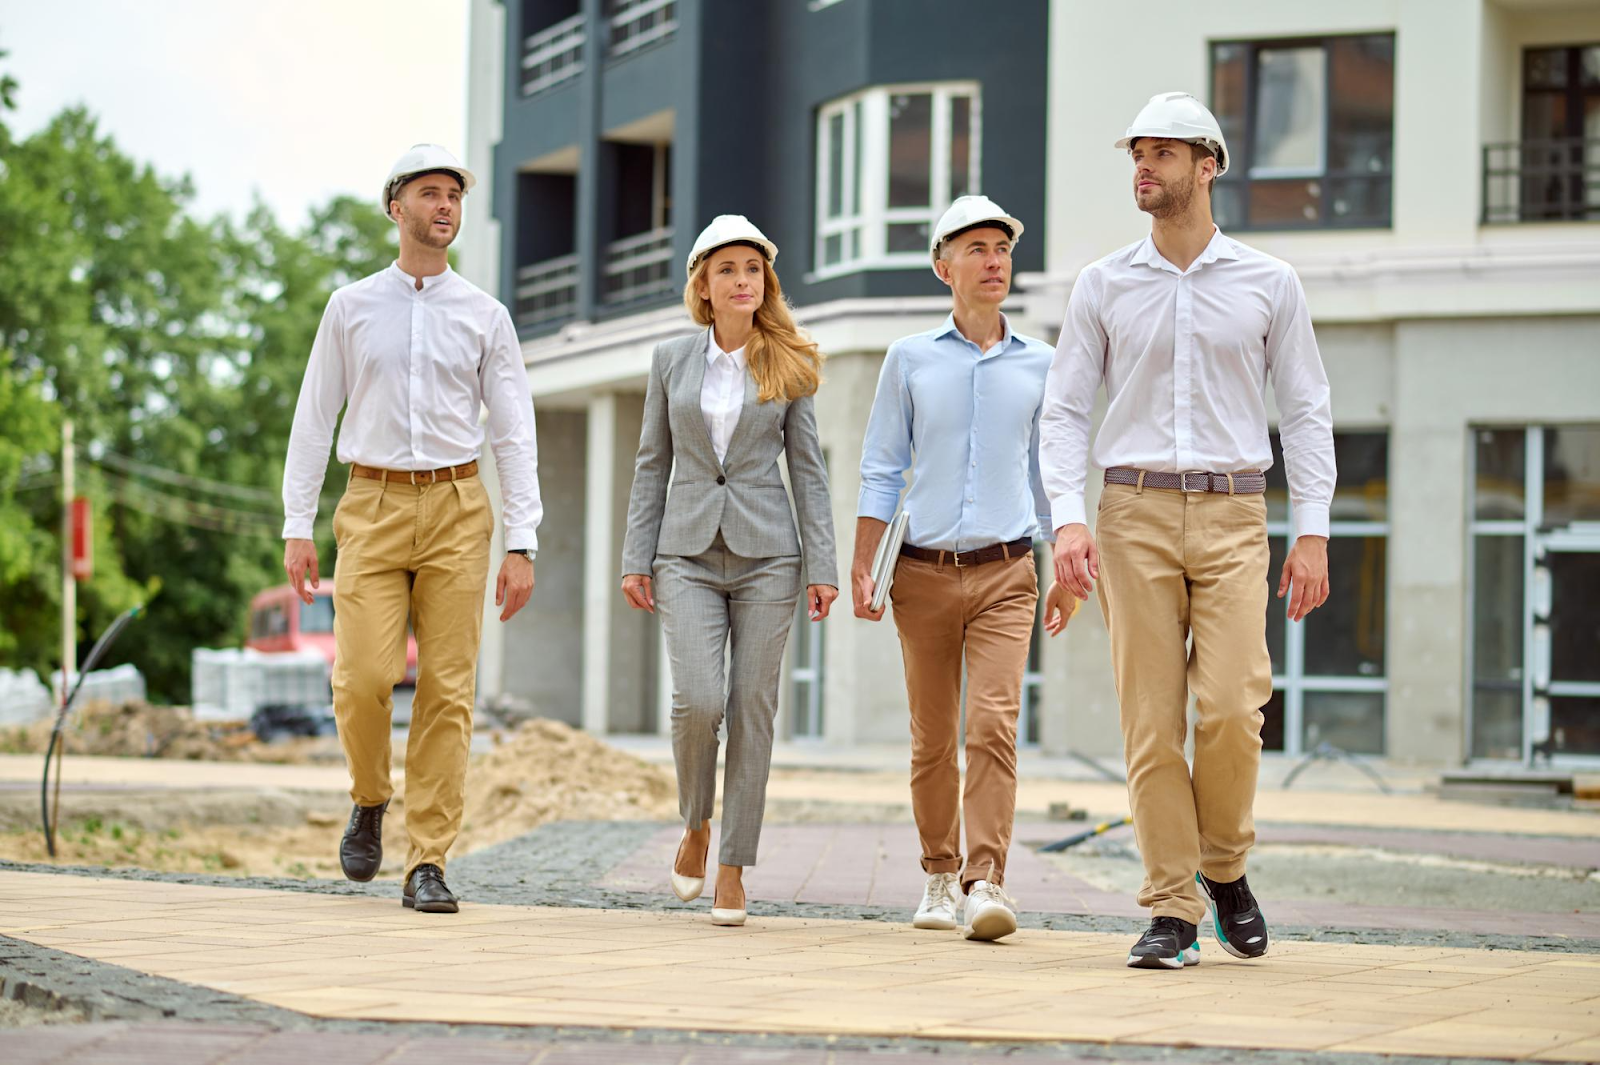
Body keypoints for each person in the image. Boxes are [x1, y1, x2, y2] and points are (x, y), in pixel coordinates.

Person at [1040, 92, 1336, 969]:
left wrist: (1312, 529)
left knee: (1237, 706)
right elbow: (1062, 413)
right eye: (1138, 151)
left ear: (1208, 166)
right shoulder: (1103, 284)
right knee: (1149, 720)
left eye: (1164, 153)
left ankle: (1225, 865)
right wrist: (1064, 520)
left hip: (1237, 509)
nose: (1145, 166)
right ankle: (1172, 908)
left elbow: (1308, 410)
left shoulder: (1269, 282)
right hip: (1129, 511)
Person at [282, 143, 542, 914]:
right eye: (429, 194)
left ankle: (428, 858)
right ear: (396, 208)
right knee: (361, 677)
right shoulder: (350, 307)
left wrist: (522, 540)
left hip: (460, 508)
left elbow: (515, 432)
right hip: (371, 504)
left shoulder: (485, 315)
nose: (444, 207)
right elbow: (313, 416)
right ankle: (370, 795)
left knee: (448, 690)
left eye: (453, 196)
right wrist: (298, 522)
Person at [853, 195, 1076, 943]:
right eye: (976, 249)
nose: (993, 262)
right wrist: (863, 563)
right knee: (932, 738)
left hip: (1008, 573)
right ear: (943, 264)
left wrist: (1067, 564)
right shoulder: (909, 358)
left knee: (993, 725)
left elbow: (1055, 474)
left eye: (1002, 250)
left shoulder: (1045, 362)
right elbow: (882, 467)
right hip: (919, 573)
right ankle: (939, 873)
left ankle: (986, 880)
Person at [620, 215, 838, 927]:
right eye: (728, 270)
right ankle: (695, 821)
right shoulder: (669, 361)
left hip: (769, 554)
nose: (743, 280)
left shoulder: (791, 360)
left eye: (753, 268)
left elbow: (808, 470)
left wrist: (821, 564)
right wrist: (636, 555)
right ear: (704, 287)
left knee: (752, 708)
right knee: (698, 702)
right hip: (683, 551)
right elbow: (653, 460)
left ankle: (734, 868)